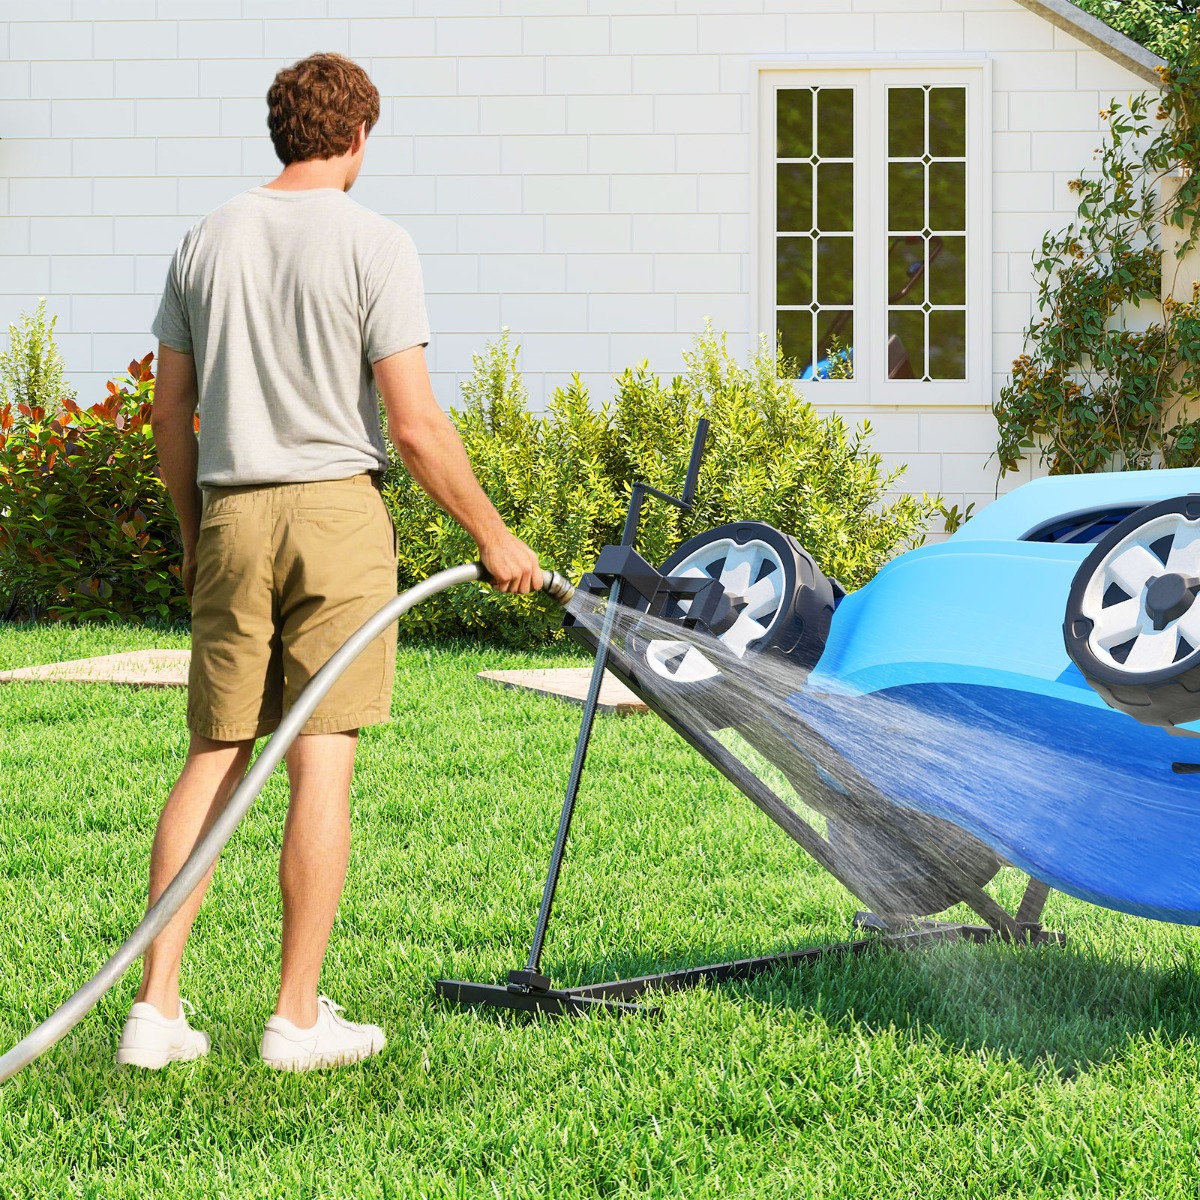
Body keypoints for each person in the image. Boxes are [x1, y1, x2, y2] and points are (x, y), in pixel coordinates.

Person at [115, 53, 541, 1072]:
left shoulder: (204, 239)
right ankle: (295, 1019)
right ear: (357, 139)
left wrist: (191, 529)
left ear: (282, 133)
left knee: (215, 753)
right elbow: (415, 424)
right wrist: (494, 534)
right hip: (337, 519)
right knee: (322, 758)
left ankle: (155, 1011)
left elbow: (171, 414)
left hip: (230, 510)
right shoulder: (374, 243)